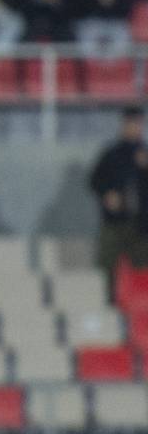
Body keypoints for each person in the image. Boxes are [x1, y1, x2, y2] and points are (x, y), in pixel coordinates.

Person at [88, 105, 147, 298]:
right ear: (123, 125)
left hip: (141, 223)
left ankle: (141, 305)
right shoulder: (112, 154)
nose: (135, 128)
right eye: (131, 123)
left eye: (138, 123)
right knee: (109, 265)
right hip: (115, 222)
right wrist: (107, 194)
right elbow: (95, 181)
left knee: (142, 268)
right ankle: (110, 303)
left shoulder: (144, 154)